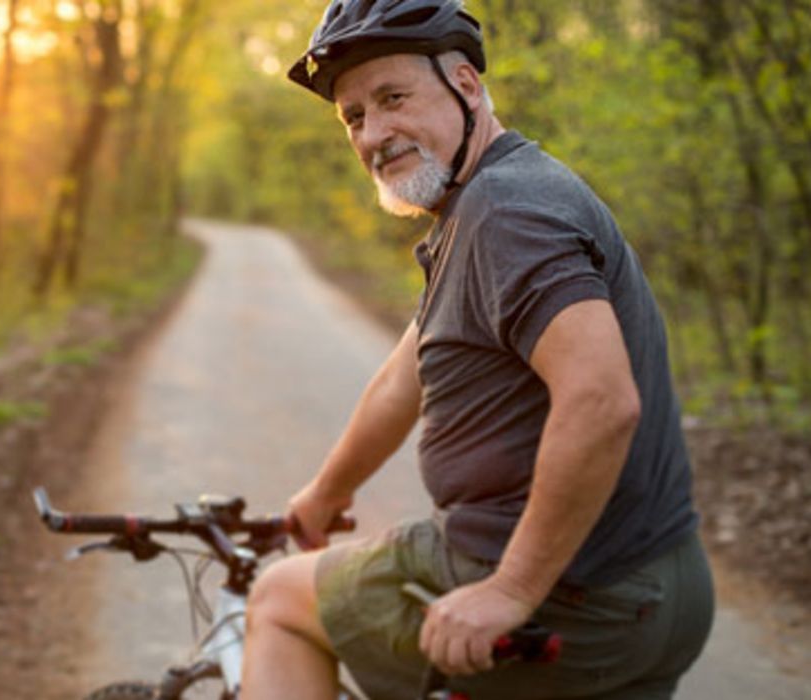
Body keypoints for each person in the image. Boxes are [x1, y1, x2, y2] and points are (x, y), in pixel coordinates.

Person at [239, 1, 714, 698]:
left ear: (464, 85)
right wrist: (323, 495)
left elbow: (602, 400)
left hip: (574, 596)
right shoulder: (487, 206)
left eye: (392, 97)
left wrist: (511, 589)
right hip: (656, 588)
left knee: (280, 600)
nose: (374, 131)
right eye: (354, 116)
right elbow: (404, 378)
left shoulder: (504, 213)